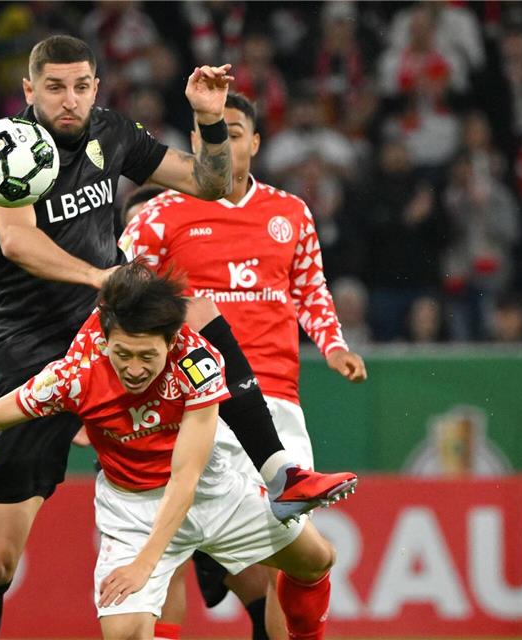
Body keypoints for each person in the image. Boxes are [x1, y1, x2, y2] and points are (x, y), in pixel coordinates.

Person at [0, 35, 350, 639]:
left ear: (96, 87)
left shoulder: (112, 133)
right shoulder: (8, 147)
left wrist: (207, 117)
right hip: (36, 348)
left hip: (115, 326)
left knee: (198, 312)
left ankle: (277, 469)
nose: (68, 100)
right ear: (28, 91)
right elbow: (18, 242)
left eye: (80, 86)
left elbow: (210, 183)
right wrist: (100, 275)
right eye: (53, 88)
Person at [0, 263, 352, 640]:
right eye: (123, 353)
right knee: (124, 633)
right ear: (106, 338)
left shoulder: (198, 361)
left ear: (173, 340)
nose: (133, 367)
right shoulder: (74, 376)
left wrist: (144, 566)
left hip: (208, 491)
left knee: (315, 560)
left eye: (146, 355)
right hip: (133, 509)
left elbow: (187, 474)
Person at [121, 93, 367, 639]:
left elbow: (311, 292)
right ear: (194, 144)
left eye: (234, 132)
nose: (224, 143)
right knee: (167, 552)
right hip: (190, 401)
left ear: (255, 143)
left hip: (275, 402)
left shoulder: (290, 213)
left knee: (294, 556)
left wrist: (333, 347)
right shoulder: (160, 215)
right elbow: (120, 300)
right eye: (212, 133)